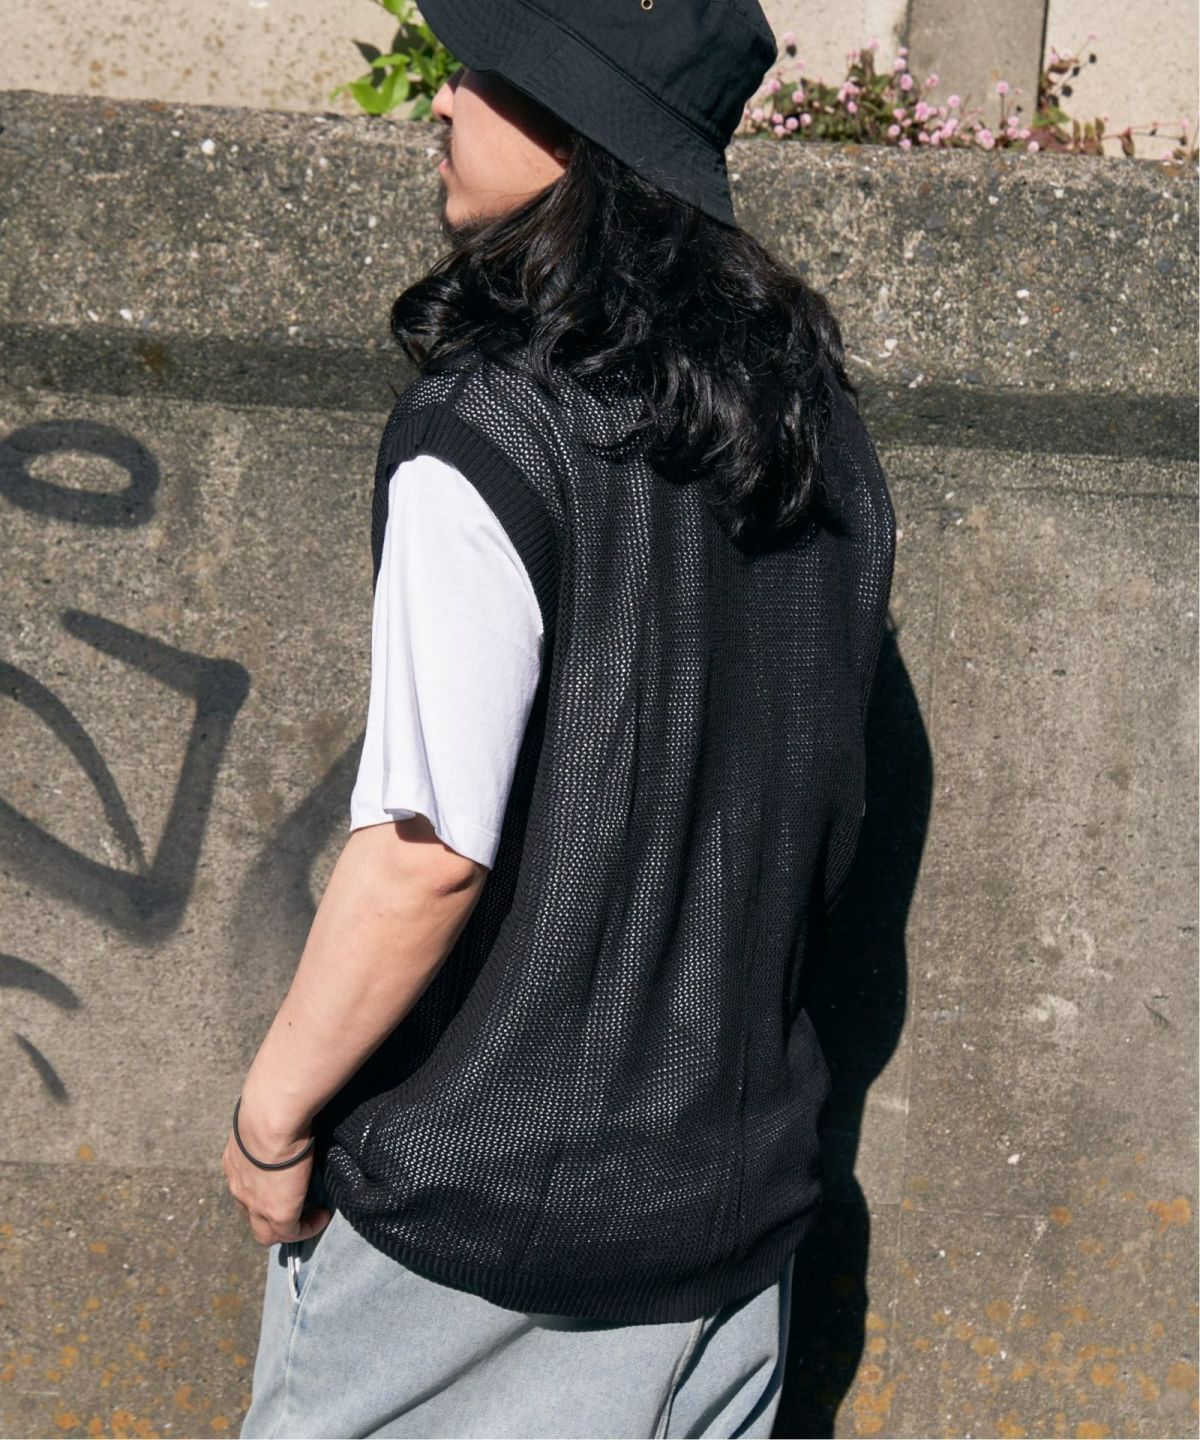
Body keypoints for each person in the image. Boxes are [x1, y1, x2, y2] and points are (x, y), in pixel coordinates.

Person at [229, 1, 896, 1435]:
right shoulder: (816, 432)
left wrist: (271, 1119)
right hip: (731, 1226)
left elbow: (424, 856)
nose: (442, 100)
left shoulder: (487, 433)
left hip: (477, 1244)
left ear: (574, 124)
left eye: (483, 68)